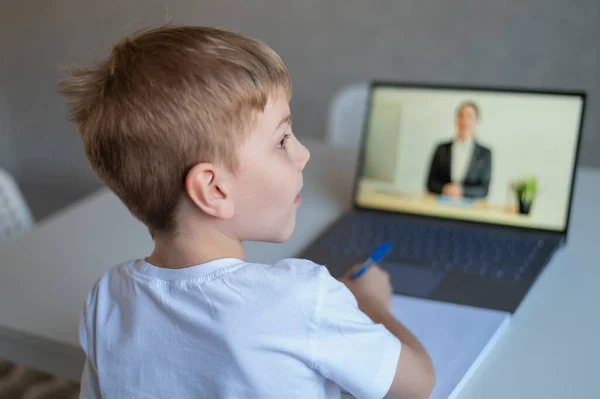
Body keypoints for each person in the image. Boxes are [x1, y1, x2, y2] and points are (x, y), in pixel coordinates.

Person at [58, 25, 434, 399]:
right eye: (282, 140)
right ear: (214, 189)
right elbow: (417, 385)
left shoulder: (106, 297)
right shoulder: (301, 300)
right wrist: (370, 303)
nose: (303, 154)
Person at [426, 101, 492, 199]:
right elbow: (430, 183)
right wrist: (445, 189)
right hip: (441, 205)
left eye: (469, 116)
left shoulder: (485, 153)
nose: (464, 121)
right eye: (461, 116)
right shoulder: (441, 149)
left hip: (470, 209)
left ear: (477, 121)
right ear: (456, 120)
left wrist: (462, 191)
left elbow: (484, 190)